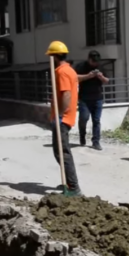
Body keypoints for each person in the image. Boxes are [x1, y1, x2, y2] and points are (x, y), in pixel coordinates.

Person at [47, 41, 81, 196]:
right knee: (60, 151)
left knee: (62, 152)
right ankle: (69, 182)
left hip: (63, 118)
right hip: (66, 116)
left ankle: (73, 187)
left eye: (51, 56)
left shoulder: (61, 72)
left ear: (55, 56)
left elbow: (66, 94)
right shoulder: (69, 70)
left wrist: (60, 114)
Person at [75, 50, 109, 150]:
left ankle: (96, 142)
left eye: (97, 62)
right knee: (84, 118)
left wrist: (101, 77)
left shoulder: (100, 67)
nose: (95, 64)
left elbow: (107, 80)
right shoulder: (81, 66)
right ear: (89, 59)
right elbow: (75, 78)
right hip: (84, 99)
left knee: (96, 120)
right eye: (93, 61)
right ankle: (82, 136)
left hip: (97, 98)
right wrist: (88, 76)